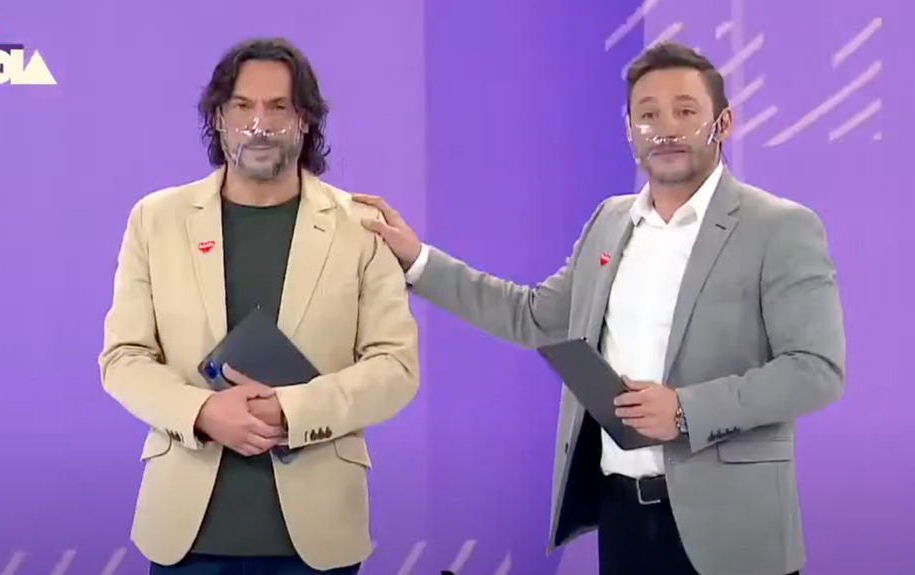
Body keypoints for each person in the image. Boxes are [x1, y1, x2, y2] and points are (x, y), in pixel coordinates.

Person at [354, 41, 844, 575]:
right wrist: (418, 261)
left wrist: (684, 410)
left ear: (722, 124)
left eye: (685, 111)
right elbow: (533, 317)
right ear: (630, 130)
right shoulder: (610, 221)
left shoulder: (779, 227)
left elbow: (815, 370)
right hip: (623, 518)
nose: (666, 128)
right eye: (648, 115)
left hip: (736, 531)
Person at [98, 37, 420, 575]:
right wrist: (202, 413)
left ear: (305, 121)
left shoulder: (362, 229)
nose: (258, 124)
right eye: (242, 106)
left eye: (278, 107)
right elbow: (123, 359)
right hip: (186, 535)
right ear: (218, 118)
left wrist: (293, 412)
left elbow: (396, 367)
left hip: (317, 539)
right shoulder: (156, 220)